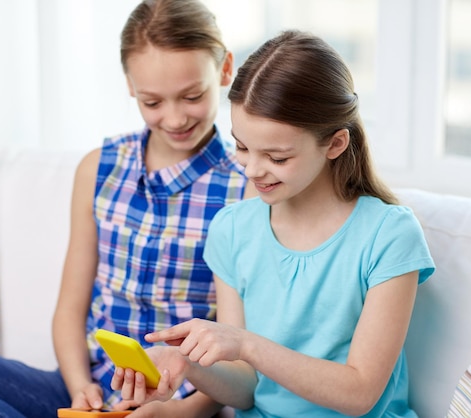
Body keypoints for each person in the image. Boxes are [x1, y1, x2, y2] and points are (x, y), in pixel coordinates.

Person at [0, 1, 251, 417]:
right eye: (153, 102)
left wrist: (176, 413)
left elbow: (236, 352)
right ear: (129, 85)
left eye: (192, 96)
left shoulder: (243, 187)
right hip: (83, 388)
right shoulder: (99, 168)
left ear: (225, 70)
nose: (175, 117)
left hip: (172, 404)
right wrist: (79, 387)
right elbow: (70, 310)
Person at [112, 30, 436, 417]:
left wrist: (246, 344)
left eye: (277, 157)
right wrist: (190, 365)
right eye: (243, 147)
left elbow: (360, 392)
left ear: (334, 144)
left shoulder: (388, 234)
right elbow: (246, 389)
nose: (252, 169)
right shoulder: (232, 230)